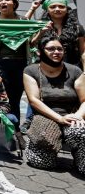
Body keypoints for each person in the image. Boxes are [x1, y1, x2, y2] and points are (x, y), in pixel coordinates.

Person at [23, 36, 85, 173]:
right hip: (45, 117)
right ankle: (34, 144)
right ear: (40, 52)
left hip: (71, 115)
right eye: (51, 49)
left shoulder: (75, 71)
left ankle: (80, 157)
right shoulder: (31, 71)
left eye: (59, 49)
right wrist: (59, 119)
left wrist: (77, 117)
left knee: (80, 132)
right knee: (42, 163)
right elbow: (33, 100)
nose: (56, 52)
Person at [34, 0, 85, 69]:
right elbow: (31, 45)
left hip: (71, 70)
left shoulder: (77, 28)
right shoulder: (38, 27)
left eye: (61, 6)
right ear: (47, 10)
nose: (57, 9)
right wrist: (41, 33)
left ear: (67, 9)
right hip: (46, 70)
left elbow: (83, 52)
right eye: (53, 7)